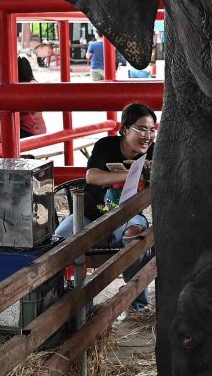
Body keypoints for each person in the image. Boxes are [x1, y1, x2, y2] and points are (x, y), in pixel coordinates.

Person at [52, 102, 157, 309]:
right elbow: (92, 177)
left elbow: (161, 187)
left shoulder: (154, 153)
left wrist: (152, 172)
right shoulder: (105, 145)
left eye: (152, 130)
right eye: (142, 129)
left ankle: (137, 304)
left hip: (127, 216)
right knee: (58, 240)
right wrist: (132, 173)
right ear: (125, 129)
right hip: (90, 216)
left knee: (135, 234)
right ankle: (63, 304)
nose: (148, 136)